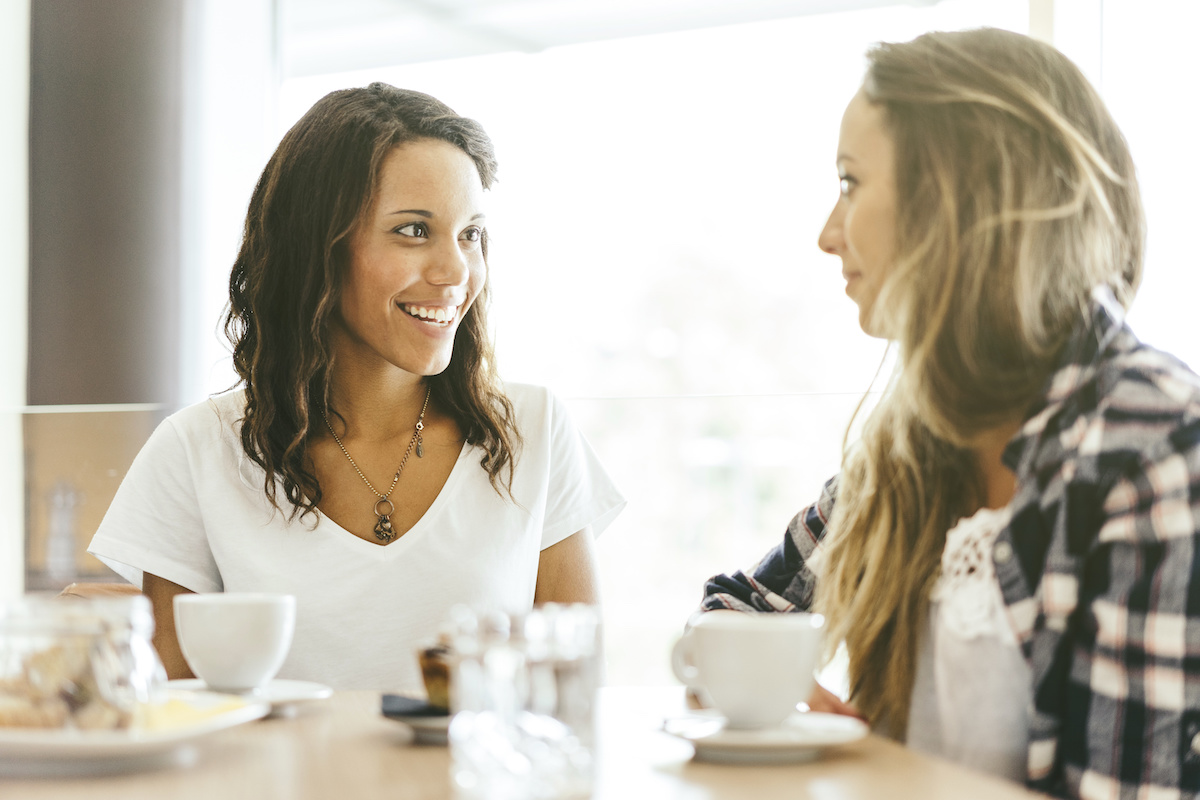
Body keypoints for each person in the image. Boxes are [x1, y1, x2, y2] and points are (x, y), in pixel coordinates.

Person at [699, 28, 1200, 798]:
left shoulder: (1150, 440)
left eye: (849, 182)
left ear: (961, 199)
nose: (828, 234)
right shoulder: (911, 436)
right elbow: (735, 609)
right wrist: (788, 704)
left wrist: (876, 768)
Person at [88, 83, 625, 693]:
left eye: (470, 234)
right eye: (414, 231)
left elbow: (576, 692)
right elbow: (177, 718)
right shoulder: (195, 450)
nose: (455, 272)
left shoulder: (532, 428)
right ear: (317, 248)